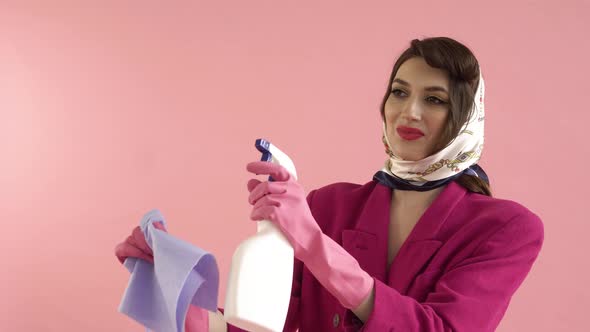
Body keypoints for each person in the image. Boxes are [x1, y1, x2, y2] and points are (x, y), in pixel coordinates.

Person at [115, 36, 544, 331]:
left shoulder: (506, 228)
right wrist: (168, 287)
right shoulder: (329, 205)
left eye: (434, 99)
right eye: (399, 92)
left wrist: (314, 244)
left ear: (468, 117)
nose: (409, 112)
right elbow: (267, 324)